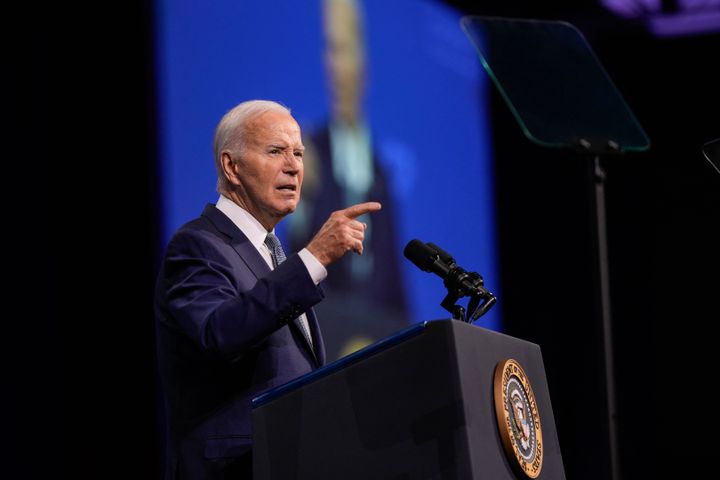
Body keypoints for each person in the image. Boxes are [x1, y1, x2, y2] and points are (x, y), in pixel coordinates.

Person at [154, 99, 381, 479]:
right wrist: (313, 259)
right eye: (276, 151)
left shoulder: (276, 258)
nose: (293, 166)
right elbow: (219, 332)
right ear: (232, 167)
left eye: (298, 153)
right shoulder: (197, 245)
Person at [288, 0, 409, 359]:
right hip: (321, 340)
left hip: (379, 342)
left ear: (365, 66)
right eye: (330, 49)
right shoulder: (307, 153)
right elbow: (292, 260)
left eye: (345, 49)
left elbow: (394, 279)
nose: (335, 66)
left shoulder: (381, 170)